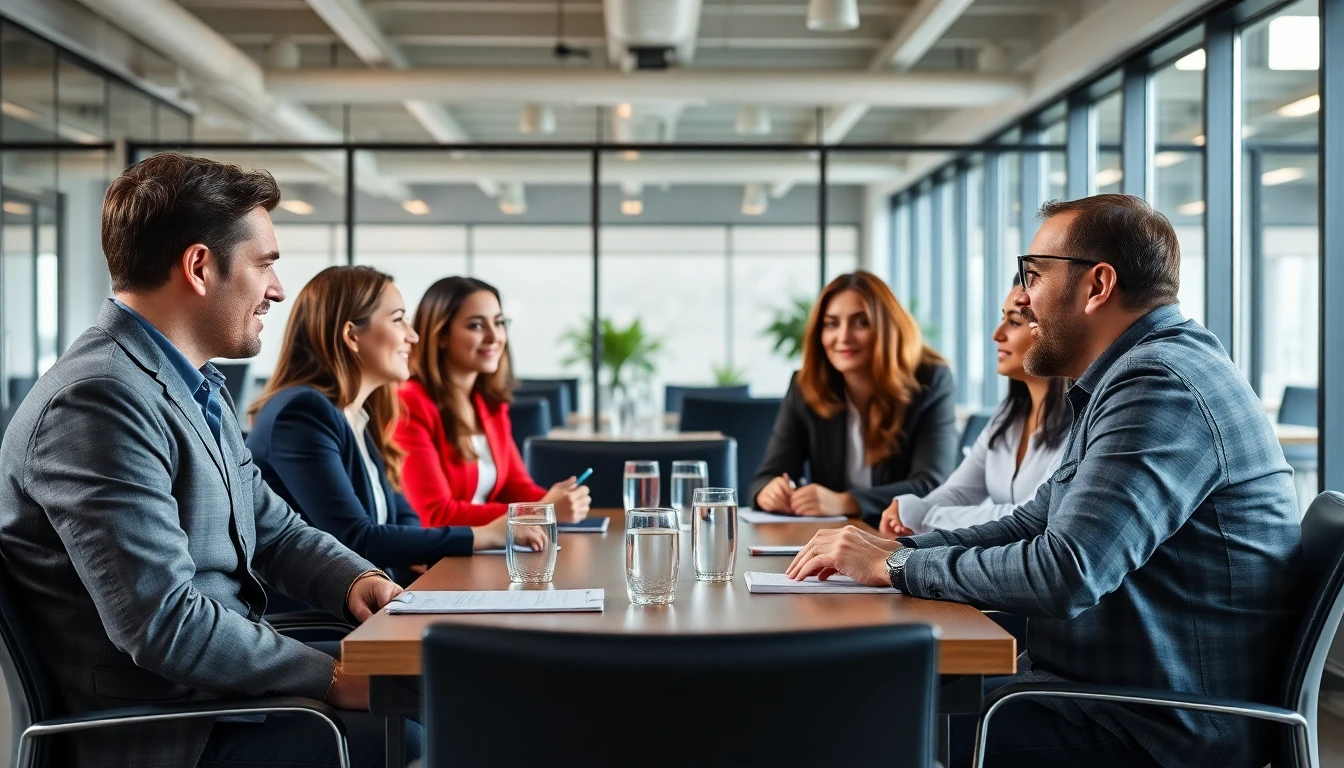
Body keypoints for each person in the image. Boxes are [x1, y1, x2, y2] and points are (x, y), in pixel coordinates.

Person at [786, 195, 1301, 768]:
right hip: (1107, 698)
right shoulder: (1129, 377)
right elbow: (1031, 522)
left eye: (1033, 274)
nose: (1023, 298)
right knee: (879, 701)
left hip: (1156, 727)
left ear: (1097, 285)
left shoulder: (1160, 385)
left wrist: (899, 567)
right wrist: (892, 552)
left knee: (870, 722)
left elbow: (1066, 573)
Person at [0, 153, 418, 768]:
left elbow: (273, 529)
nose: (277, 289)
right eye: (264, 264)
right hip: (166, 731)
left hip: (218, 694)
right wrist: (329, 678)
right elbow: (164, 623)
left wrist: (356, 580)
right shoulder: (99, 400)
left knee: (431, 688)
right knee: (416, 728)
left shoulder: (194, 385)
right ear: (199, 267)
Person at [247, 266, 535, 591]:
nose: (413, 336)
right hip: (320, 610)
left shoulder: (358, 414)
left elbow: (402, 514)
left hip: (375, 597)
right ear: (352, 336)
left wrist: (416, 548)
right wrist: (486, 534)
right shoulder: (303, 413)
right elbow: (355, 538)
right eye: (399, 320)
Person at [749, 270, 958, 526]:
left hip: (903, 535)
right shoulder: (806, 385)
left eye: (861, 322)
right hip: (832, 535)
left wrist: (846, 502)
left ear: (888, 329)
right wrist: (768, 492)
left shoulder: (930, 380)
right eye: (832, 324)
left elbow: (932, 484)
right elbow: (769, 474)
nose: (843, 337)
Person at [878, 276, 1070, 538]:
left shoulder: (1079, 424)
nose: (997, 334)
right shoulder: (1008, 416)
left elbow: (1031, 517)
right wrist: (910, 510)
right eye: (1002, 318)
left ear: (1051, 331)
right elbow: (960, 491)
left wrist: (925, 516)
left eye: (1014, 322)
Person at [396, 276, 590, 527]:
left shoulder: (488, 402)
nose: (494, 336)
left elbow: (515, 486)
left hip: (485, 544)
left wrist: (557, 501)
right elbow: (435, 515)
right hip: (444, 551)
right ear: (441, 335)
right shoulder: (410, 403)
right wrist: (541, 511)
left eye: (498, 323)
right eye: (476, 325)